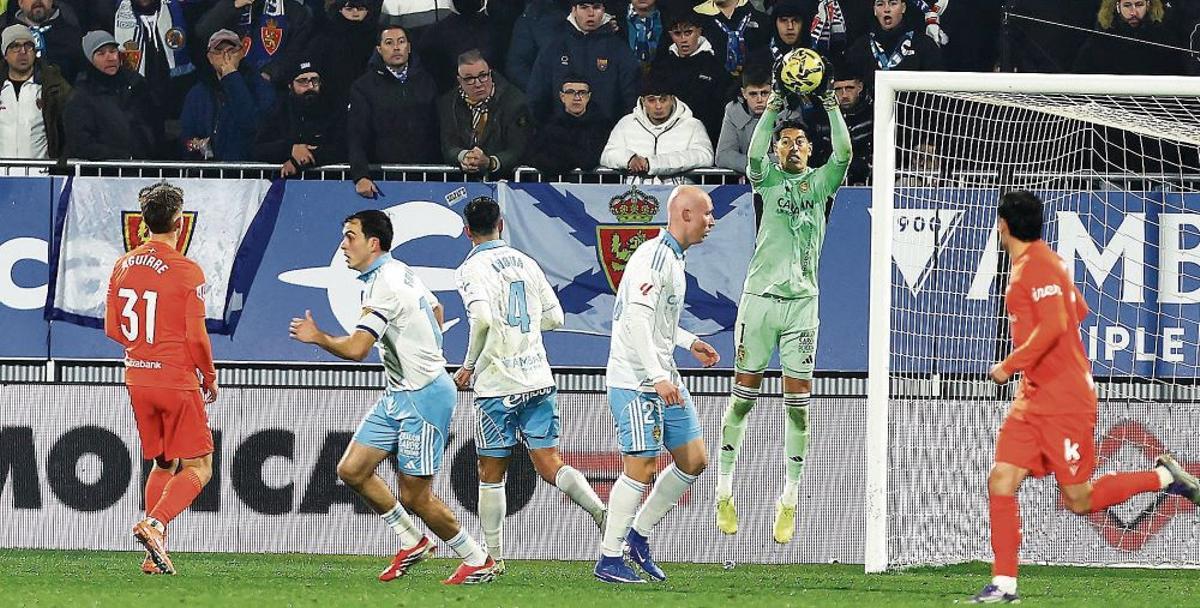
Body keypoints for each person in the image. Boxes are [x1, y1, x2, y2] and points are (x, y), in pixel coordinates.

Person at [969, 191, 1200, 603]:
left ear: (1002, 225)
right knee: (1001, 480)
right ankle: (1004, 584)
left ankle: (1166, 478)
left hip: (1065, 402)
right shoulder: (1045, 263)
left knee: (1078, 499)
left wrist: (1012, 363)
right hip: (1033, 400)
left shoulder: (1036, 267)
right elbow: (1079, 309)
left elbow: (1059, 322)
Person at [288, 209, 497, 585]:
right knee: (351, 470)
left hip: (424, 397)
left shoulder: (385, 285)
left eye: (350, 236)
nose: (343, 245)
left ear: (374, 243)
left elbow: (356, 349)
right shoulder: (398, 271)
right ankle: (412, 540)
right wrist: (426, 347)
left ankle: (477, 558)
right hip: (400, 394)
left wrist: (317, 337)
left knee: (416, 496)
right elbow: (436, 307)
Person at [714, 61, 849, 544]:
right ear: (775, 151)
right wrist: (772, 107)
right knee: (742, 399)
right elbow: (752, 153)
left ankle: (788, 498)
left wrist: (830, 105)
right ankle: (725, 488)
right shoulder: (766, 182)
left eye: (801, 142)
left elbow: (846, 153)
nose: (793, 146)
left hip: (802, 306)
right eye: (784, 142)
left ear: (812, 152)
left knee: (799, 408)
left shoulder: (821, 185)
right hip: (760, 303)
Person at [453, 195, 608, 575]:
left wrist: (469, 366)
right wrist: (521, 332)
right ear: (501, 224)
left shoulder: (470, 269)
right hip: (538, 376)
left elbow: (483, 320)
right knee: (550, 463)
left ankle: (493, 557)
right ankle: (602, 513)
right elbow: (555, 318)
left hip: (497, 384)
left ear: (466, 230)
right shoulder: (526, 262)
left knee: (490, 473)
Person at [594, 185, 720, 584]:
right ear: (685, 214)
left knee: (694, 459)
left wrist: (688, 341)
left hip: (661, 373)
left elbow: (657, 322)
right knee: (640, 467)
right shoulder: (653, 257)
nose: (711, 221)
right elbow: (634, 322)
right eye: (707, 213)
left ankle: (637, 536)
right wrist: (658, 377)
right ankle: (609, 558)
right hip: (636, 379)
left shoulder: (674, 259)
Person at [104, 182, 218, 576]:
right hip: (175, 378)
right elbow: (196, 337)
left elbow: (114, 329)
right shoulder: (187, 270)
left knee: (163, 462)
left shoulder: (122, 265)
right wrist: (209, 375)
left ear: (142, 222)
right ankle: (155, 524)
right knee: (200, 465)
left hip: (137, 377)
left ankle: (153, 553)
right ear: (179, 223)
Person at [347, 23, 439, 197]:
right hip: (385, 180)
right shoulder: (363, 87)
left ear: (409, 47)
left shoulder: (427, 81)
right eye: (389, 43)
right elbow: (356, 135)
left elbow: (437, 127)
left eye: (401, 41)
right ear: (379, 50)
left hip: (429, 177)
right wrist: (360, 176)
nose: (396, 47)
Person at [527, 1, 640, 128]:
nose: (590, 13)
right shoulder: (554, 46)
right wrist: (549, 130)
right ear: (574, 9)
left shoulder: (618, 48)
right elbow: (537, 95)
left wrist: (618, 132)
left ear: (604, 10)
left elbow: (631, 98)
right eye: (584, 7)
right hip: (559, 136)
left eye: (596, 8)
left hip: (606, 136)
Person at [600, 71, 714, 184]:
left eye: (663, 100)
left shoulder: (692, 125)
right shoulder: (626, 123)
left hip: (679, 196)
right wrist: (629, 159)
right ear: (643, 101)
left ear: (672, 99)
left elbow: (705, 156)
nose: (658, 106)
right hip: (635, 196)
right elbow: (607, 154)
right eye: (651, 100)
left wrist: (654, 163)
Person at [179, 29, 276, 161]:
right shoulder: (197, 94)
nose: (225, 56)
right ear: (210, 58)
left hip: (248, 172)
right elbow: (186, 138)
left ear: (242, 53)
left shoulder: (260, 86)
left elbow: (254, 126)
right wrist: (196, 145)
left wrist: (232, 78)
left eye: (231, 50)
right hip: (207, 174)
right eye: (218, 51)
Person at [63, 30, 162, 159]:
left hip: (142, 170)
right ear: (89, 59)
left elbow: (154, 125)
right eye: (101, 53)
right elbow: (81, 143)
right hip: (102, 174)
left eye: (113, 51)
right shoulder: (81, 96)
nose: (110, 58)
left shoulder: (136, 84)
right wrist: (122, 157)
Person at [437, 49, 534, 179]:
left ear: (490, 73)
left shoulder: (515, 102)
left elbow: (517, 150)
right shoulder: (448, 103)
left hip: (505, 182)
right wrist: (464, 156)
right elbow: (448, 145)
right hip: (462, 183)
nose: (478, 84)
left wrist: (489, 162)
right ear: (459, 80)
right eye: (470, 79)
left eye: (483, 76)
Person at [252, 59, 347, 175]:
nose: (310, 86)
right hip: (287, 185)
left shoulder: (333, 108)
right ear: (290, 85)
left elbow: (343, 147)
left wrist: (300, 160)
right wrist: (290, 149)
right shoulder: (279, 110)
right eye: (303, 81)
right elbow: (258, 149)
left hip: (328, 183)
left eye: (314, 80)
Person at [0, 23, 71, 160]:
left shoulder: (54, 88)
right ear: (5, 54)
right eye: (15, 46)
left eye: (28, 46)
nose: (23, 52)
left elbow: (67, 133)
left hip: (41, 176)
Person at [524, 74, 609, 176]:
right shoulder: (549, 127)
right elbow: (533, 157)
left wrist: (561, 156)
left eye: (582, 93)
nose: (576, 97)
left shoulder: (602, 126)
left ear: (588, 96)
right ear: (562, 96)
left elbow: (590, 160)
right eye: (570, 92)